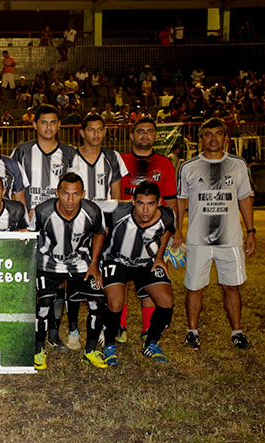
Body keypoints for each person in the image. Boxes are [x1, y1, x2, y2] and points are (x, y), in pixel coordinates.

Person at [174, 118, 256, 350]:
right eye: (208, 134)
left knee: (231, 286)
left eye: (218, 134)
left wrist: (251, 231)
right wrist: (178, 231)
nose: (213, 138)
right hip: (198, 240)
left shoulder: (238, 165)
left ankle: (237, 332)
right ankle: (192, 333)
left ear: (225, 138)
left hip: (230, 239)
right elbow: (180, 201)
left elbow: (244, 199)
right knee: (194, 287)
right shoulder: (188, 167)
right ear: (200, 138)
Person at [62, 114, 129, 350]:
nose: (96, 134)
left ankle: (104, 325)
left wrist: (113, 223)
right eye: (91, 130)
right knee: (74, 275)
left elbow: (117, 198)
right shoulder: (70, 156)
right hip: (76, 225)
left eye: (100, 130)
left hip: (105, 226)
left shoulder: (112, 157)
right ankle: (73, 329)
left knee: (105, 274)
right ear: (82, 132)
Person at [113, 118, 180, 343]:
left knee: (149, 281)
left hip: (154, 233)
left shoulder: (165, 163)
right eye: (140, 131)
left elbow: (171, 201)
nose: (145, 135)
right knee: (119, 281)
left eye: (150, 131)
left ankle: (146, 328)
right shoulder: (120, 161)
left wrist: (176, 232)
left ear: (155, 136)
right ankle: (119, 327)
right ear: (131, 136)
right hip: (124, 231)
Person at [32, 173, 106, 371]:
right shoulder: (42, 211)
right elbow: (30, 236)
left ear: (83, 193)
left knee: (97, 300)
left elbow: (100, 233)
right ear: (57, 193)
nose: (70, 200)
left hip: (80, 264)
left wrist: (94, 264)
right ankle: (39, 350)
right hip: (48, 264)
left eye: (75, 194)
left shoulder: (92, 211)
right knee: (44, 304)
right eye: (65, 194)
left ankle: (90, 351)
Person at [102, 180, 176, 365]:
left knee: (166, 300)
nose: (145, 210)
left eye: (150, 204)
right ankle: (109, 345)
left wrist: (160, 257)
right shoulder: (117, 210)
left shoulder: (167, 216)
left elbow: (167, 230)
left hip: (145, 263)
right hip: (116, 259)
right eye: (140, 203)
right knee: (116, 301)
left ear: (159, 202)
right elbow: (87, 204)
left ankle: (151, 343)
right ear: (133, 201)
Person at [11, 104, 76, 213]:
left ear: (59, 124)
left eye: (53, 122)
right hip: (29, 216)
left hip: (60, 217)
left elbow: (76, 188)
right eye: (44, 122)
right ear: (35, 125)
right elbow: (13, 186)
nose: (49, 127)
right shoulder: (21, 151)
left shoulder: (70, 153)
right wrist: (22, 214)